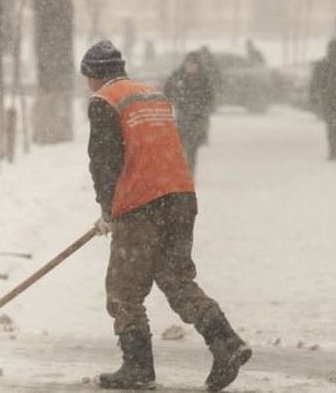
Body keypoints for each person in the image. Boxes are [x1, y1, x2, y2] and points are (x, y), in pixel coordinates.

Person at [81, 40, 251, 392]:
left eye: (87, 77)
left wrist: (107, 209)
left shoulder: (105, 101)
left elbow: (104, 162)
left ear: (94, 75)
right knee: (176, 279)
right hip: (180, 195)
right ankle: (226, 342)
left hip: (142, 203)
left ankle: (138, 367)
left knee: (124, 290)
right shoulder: (152, 94)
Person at [163, 52, 215, 174]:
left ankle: (189, 173)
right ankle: (179, 172)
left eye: (194, 65)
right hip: (181, 117)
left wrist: (203, 109)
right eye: (189, 64)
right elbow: (167, 90)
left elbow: (210, 97)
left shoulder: (203, 79)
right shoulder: (178, 77)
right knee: (178, 147)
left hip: (197, 118)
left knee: (192, 148)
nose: (191, 67)